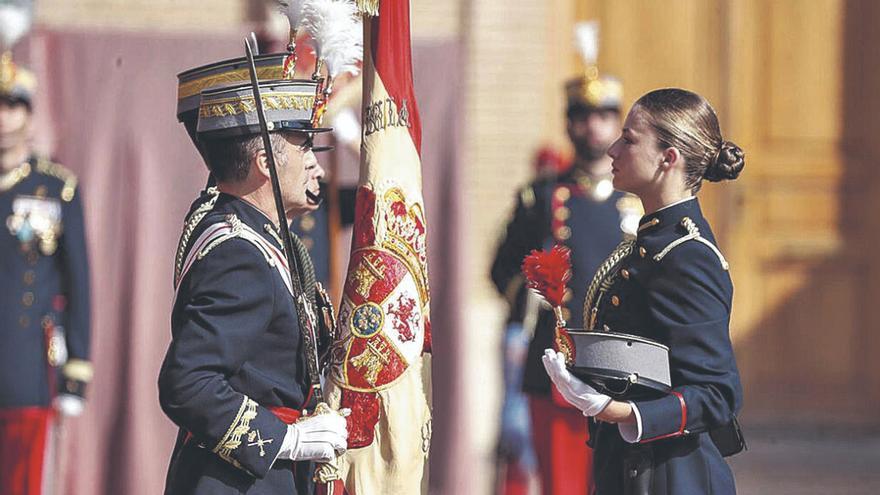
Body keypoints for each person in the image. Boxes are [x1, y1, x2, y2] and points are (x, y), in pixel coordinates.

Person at [543, 87, 746, 495]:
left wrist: (616, 410)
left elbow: (718, 394)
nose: (613, 150)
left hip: (673, 475)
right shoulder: (650, 241)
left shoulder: (688, 256)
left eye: (630, 140)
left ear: (668, 159)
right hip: (630, 468)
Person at [158, 79, 349, 494]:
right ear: (265, 161)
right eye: (302, 147)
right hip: (237, 480)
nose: (313, 163)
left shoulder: (263, 237)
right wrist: (286, 440)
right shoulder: (240, 253)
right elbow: (187, 382)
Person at [490, 50, 640, 495]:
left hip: (623, 371)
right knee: (563, 485)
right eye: (581, 114)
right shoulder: (541, 197)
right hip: (558, 367)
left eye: (604, 114)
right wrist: (535, 294)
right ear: (568, 122)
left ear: (618, 125)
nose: (592, 125)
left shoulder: (636, 200)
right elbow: (501, 270)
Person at [0, 43, 92, 494]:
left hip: (26, 368)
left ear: (29, 113)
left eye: (12, 105)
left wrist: (76, 369)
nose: (3, 117)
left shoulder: (56, 189)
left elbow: (79, 283)